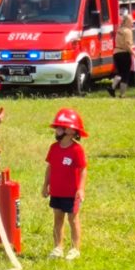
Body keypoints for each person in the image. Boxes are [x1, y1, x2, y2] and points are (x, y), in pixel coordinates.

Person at [43, 108, 87, 260]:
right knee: (58, 219)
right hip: (56, 191)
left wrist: (80, 189)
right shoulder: (54, 148)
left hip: (71, 193)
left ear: (71, 131)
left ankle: (75, 249)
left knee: (73, 219)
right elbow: (50, 167)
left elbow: (82, 170)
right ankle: (58, 247)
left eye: (60, 127)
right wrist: (45, 185)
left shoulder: (77, 150)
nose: (56, 130)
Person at [108, 12, 135, 98]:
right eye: (131, 21)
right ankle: (122, 94)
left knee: (120, 73)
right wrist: (134, 54)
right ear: (126, 21)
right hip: (124, 53)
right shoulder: (128, 31)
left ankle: (112, 87)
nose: (132, 23)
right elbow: (127, 45)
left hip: (116, 53)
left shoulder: (119, 30)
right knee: (126, 74)